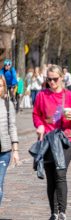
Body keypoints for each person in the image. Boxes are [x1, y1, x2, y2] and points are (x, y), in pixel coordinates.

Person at [33, 65, 71, 220]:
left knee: (60, 173)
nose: (52, 82)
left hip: (65, 139)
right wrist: (39, 125)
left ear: (61, 78)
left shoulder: (69, 96)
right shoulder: (42, 95)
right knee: (51, 176)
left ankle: (62, 212)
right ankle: (53, 212)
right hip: (47, 139)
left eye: (55, 79)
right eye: (49, 79)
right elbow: (36, 114)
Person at [0, 75, 19, 205]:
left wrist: (15, 150)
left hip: (4, 151)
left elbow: (12, 127)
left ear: (4, 87)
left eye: (0, 85)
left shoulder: (7, 104)